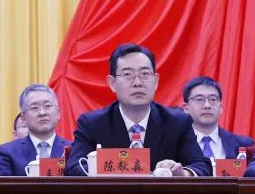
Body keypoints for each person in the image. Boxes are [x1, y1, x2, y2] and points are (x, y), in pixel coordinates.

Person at [65, 43, 210, 176]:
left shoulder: (177, 122)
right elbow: (73, 169)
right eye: (128, 75)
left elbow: (202, 168)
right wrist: (111, 170)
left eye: (145, 74)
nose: (137, 82)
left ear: (156, 81)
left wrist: (183, 173)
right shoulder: (93, 124)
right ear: (112, 83)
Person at [0, 84, 71, 176]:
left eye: (47, 106)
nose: (42, 113)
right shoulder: (8, 152)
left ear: (58, 113)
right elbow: (1, 185)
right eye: (34, 108)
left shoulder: (72, 150)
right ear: (23, 118)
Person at [181, 76, 254, 159]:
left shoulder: (244, 145)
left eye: (213, 99)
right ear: (186, 108)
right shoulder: (174, 144)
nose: (207, 105)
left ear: (221, 107)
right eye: (199, 99)